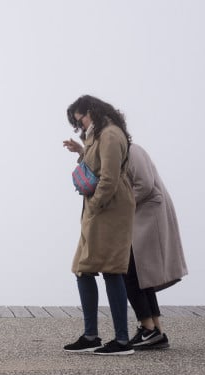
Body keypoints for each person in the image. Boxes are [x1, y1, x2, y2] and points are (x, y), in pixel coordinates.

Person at [66, 138, 189, 349]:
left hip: (147, 215)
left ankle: (149, 329)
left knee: (129, 271)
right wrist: (82, 152)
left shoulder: (133, 151)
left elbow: (145, 185)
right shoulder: (124, 151)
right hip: (139, 216)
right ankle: (154, 330)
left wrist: (120, 203)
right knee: (142, 273)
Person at [62, 95, 136, 355]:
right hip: (99, 209)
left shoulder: (110, 135)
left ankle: (122, 340)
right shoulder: (98, 136)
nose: (79, 123)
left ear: (90, 111)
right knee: (83, 268)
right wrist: (81, 151)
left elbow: (109, 178)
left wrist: (95, 206)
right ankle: (91, 335)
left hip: (110, 209)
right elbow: (99, 165)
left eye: (80, 117)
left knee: (111, 269)